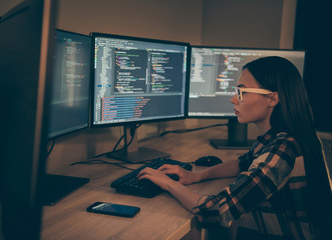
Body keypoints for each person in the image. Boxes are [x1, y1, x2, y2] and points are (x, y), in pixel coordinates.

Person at [138, 56, 332, 239]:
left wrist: (169, 183)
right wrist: (195, 176)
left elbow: (216, 211)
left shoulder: (282, 150)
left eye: (242, 92)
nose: (233, 99)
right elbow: (243, 163)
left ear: (272, 99)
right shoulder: (282, 136)